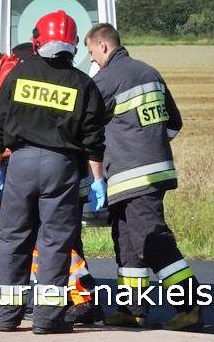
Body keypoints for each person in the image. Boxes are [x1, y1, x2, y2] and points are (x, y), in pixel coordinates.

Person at [0, 37, 104, 324]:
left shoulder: (16, 76)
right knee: (54, 241)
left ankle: (9, 315)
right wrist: (98, 179)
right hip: (62, 168)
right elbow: (91, 137)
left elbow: (3, 129)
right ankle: (49, 316)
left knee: (19, 238)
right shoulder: (80, 82)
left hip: (24, 167)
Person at [85, 23, 203, 331]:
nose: (92, 59)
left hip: (131, 176)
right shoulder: (150, 72)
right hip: (153, 172)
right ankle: (131, 309)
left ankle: (190, 306)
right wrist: (151, 143)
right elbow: (174, 123)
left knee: (152, 242)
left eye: (92, 52)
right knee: (127, 243)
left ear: (103, 46)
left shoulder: (106, 80)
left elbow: (84, 125)